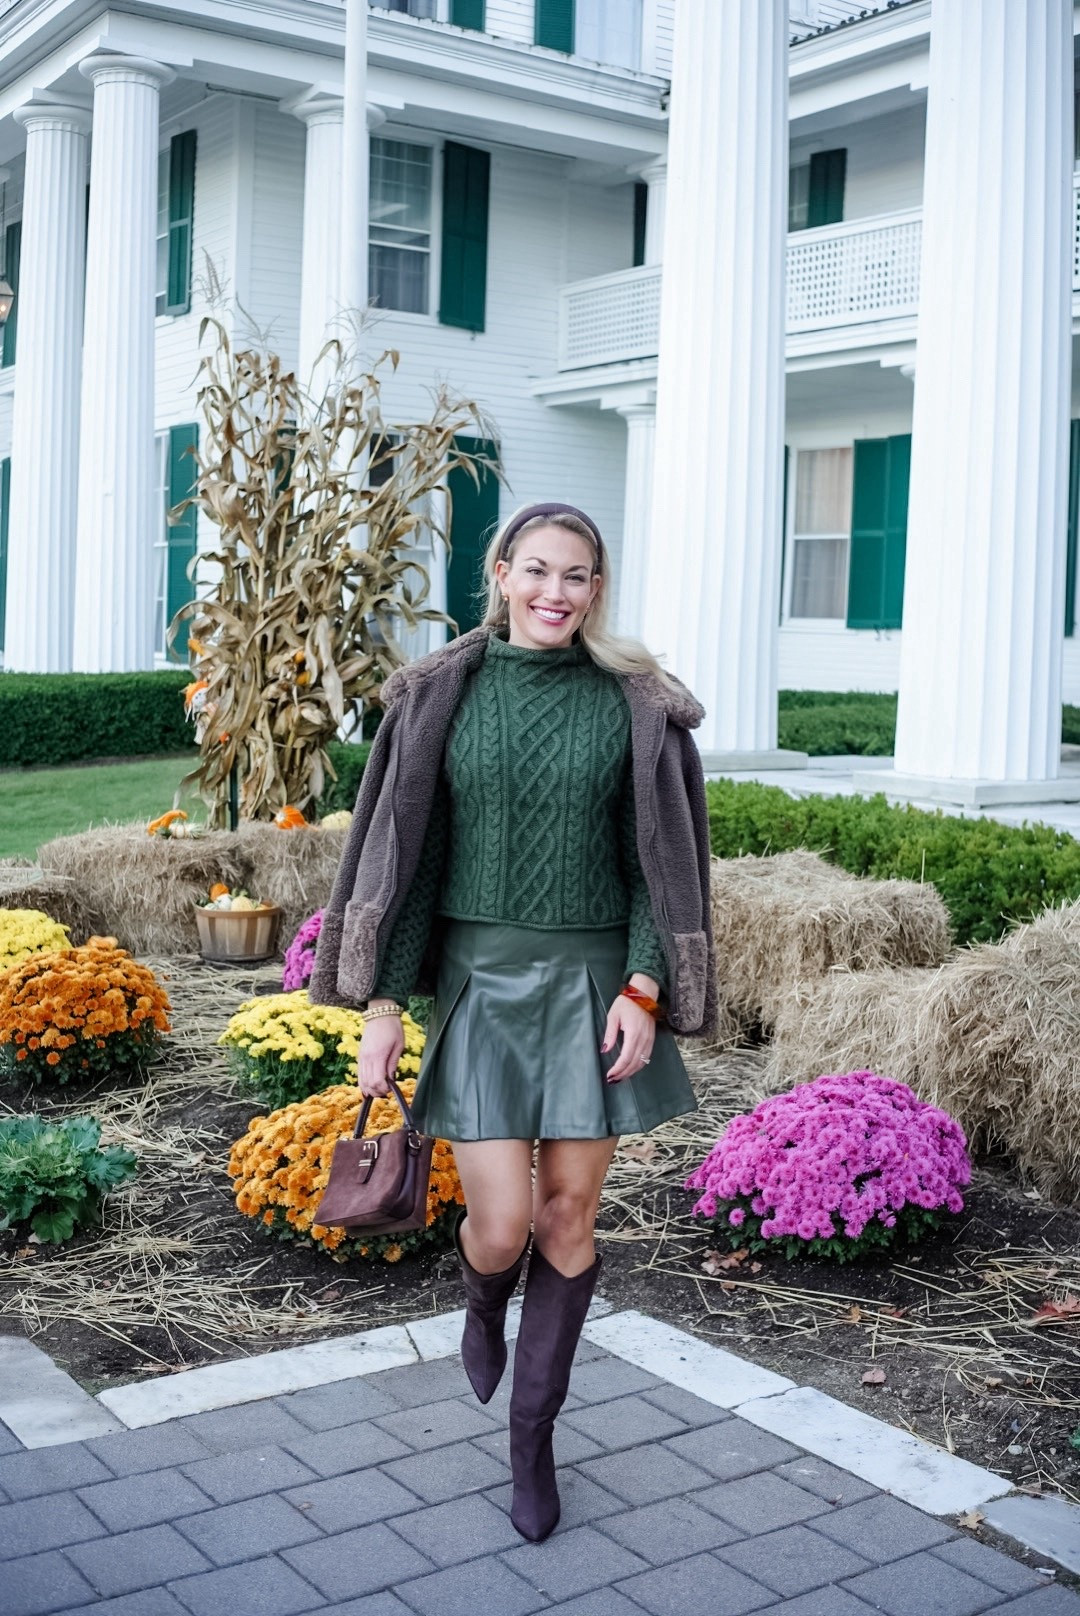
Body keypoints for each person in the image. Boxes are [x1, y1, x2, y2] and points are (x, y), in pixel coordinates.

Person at [310, 500, 717, 1542]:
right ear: (500, 571)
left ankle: (532, 1441)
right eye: (536, 569)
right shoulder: (443, 695)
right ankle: (485, 1298)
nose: (554, 591)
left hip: (594, 989)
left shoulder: (633, 705)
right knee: (498, 1226)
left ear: (596, 588)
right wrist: (388, 1008)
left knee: (566, 1219)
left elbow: (652, 870)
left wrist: (643, 985)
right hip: (483, 986)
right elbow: (416, 863)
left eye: (576, 575)